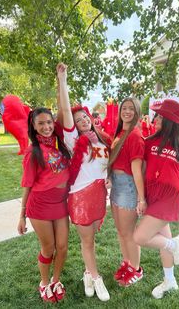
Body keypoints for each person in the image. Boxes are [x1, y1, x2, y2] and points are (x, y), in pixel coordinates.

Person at [134, 99, 179, 299]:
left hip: (171, 197)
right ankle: (170, 280)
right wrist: (141, 198)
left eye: (161, 116)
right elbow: (142, 170)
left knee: (140, 237)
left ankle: (175, 245)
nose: (156, 119)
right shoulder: (150, 141)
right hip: (153, 195)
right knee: (164, 239)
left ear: (171, 121)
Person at [57, 63, 111, 302]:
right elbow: (66, 111)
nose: (82, 121)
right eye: (78, 120)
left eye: (85, 117)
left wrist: (110, 177)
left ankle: (87, 273)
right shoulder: (72, 141)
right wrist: (63, 80)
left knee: (90, 240)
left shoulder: (102, 142)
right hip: (79, 198)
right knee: (87, 240)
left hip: (99, 196)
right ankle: (97, 278)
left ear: (91, 118)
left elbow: (108, 166)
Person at [17, 107, 70, 303]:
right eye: (41, 123)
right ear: (34, 125)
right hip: (40, 206)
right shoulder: (33, 151)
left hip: (60, 204)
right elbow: (27, 185)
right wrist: (22, 215)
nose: (46, 127)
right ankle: (44, 283)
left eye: (49, 122)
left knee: (62, 247)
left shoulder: (59, 146)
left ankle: (56, 281)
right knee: (48, 248)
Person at [108, 97, 145, 287]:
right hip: (116, 186)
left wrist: (141, 198)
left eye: (132, 109)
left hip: (128, 187)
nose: (127, 111)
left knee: (129, 233)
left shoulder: (135, 135)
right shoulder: (121, 132)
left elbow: (137, 170)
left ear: (137, 112)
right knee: (121, 232)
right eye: (125, 108)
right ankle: (127, 263)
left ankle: (137, 269)